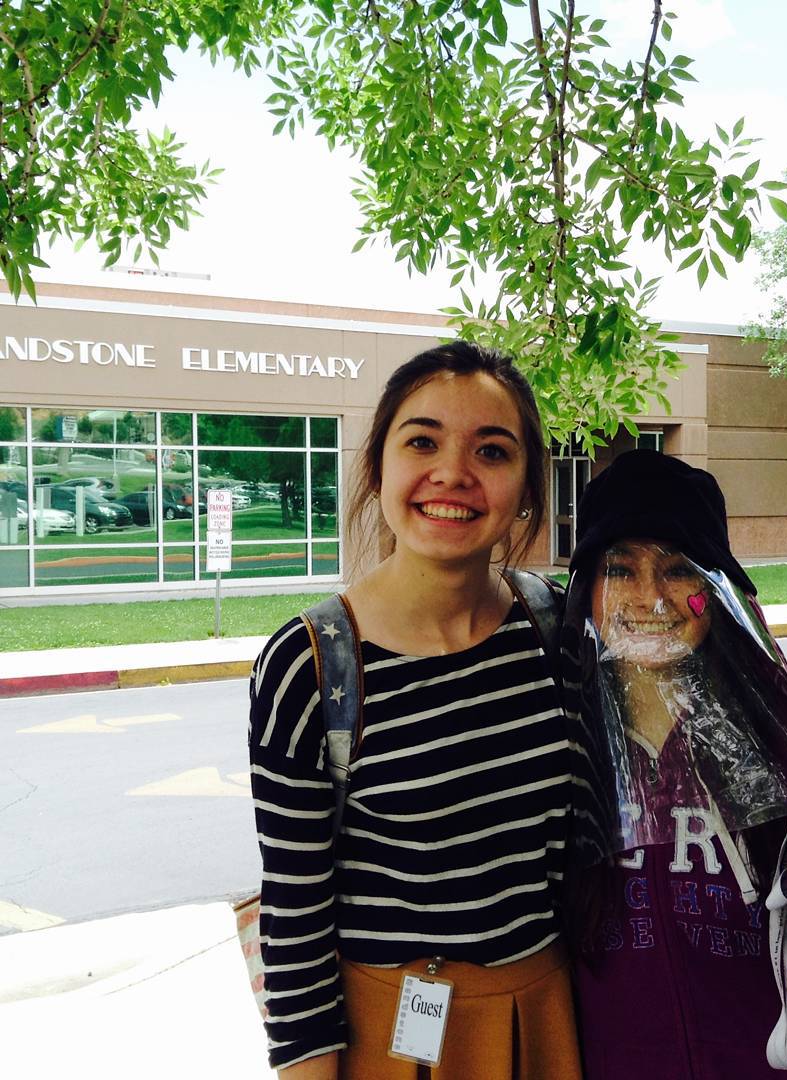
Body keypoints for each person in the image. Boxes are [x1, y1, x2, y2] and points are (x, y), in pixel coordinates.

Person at [248, 341, 583, 1079]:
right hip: (389, 1037)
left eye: (492, 451)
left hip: (550, 1019)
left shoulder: (558, 631)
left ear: (528, 487)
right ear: (380, 466)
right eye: (422, 441)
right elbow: (295, 920)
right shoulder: (309, 664)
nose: (452, 474)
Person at [564, 449, 787, 1079]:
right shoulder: (563, 752)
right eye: (621, 569)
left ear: (717, 592)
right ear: (586, 587)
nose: (651, 598)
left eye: (678, 571)